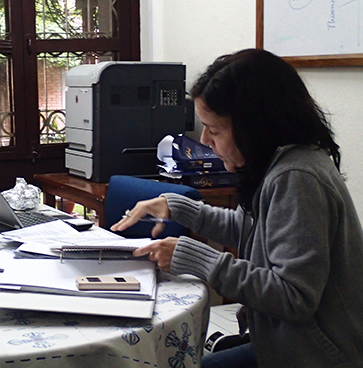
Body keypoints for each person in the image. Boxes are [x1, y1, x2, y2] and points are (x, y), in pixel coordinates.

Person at [111, 49, 363, 368]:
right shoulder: (281, 163)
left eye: (214, 130)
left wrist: (194, 257)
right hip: (280, 347)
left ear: (255, 127)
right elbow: (250, 229)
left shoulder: (297, 178)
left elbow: (294, 296)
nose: (205, 140)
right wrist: (177, 207)